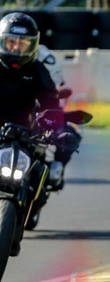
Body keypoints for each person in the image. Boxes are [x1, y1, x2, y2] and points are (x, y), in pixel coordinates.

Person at [0, 13, 80, 234]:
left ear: (32, 45)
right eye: (11, 42)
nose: (16, 48)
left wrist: (57, 128)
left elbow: (51, 102)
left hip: (25, 133)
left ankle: (32, 205)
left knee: (39, 176)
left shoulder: (37, 70)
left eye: (22, 44)